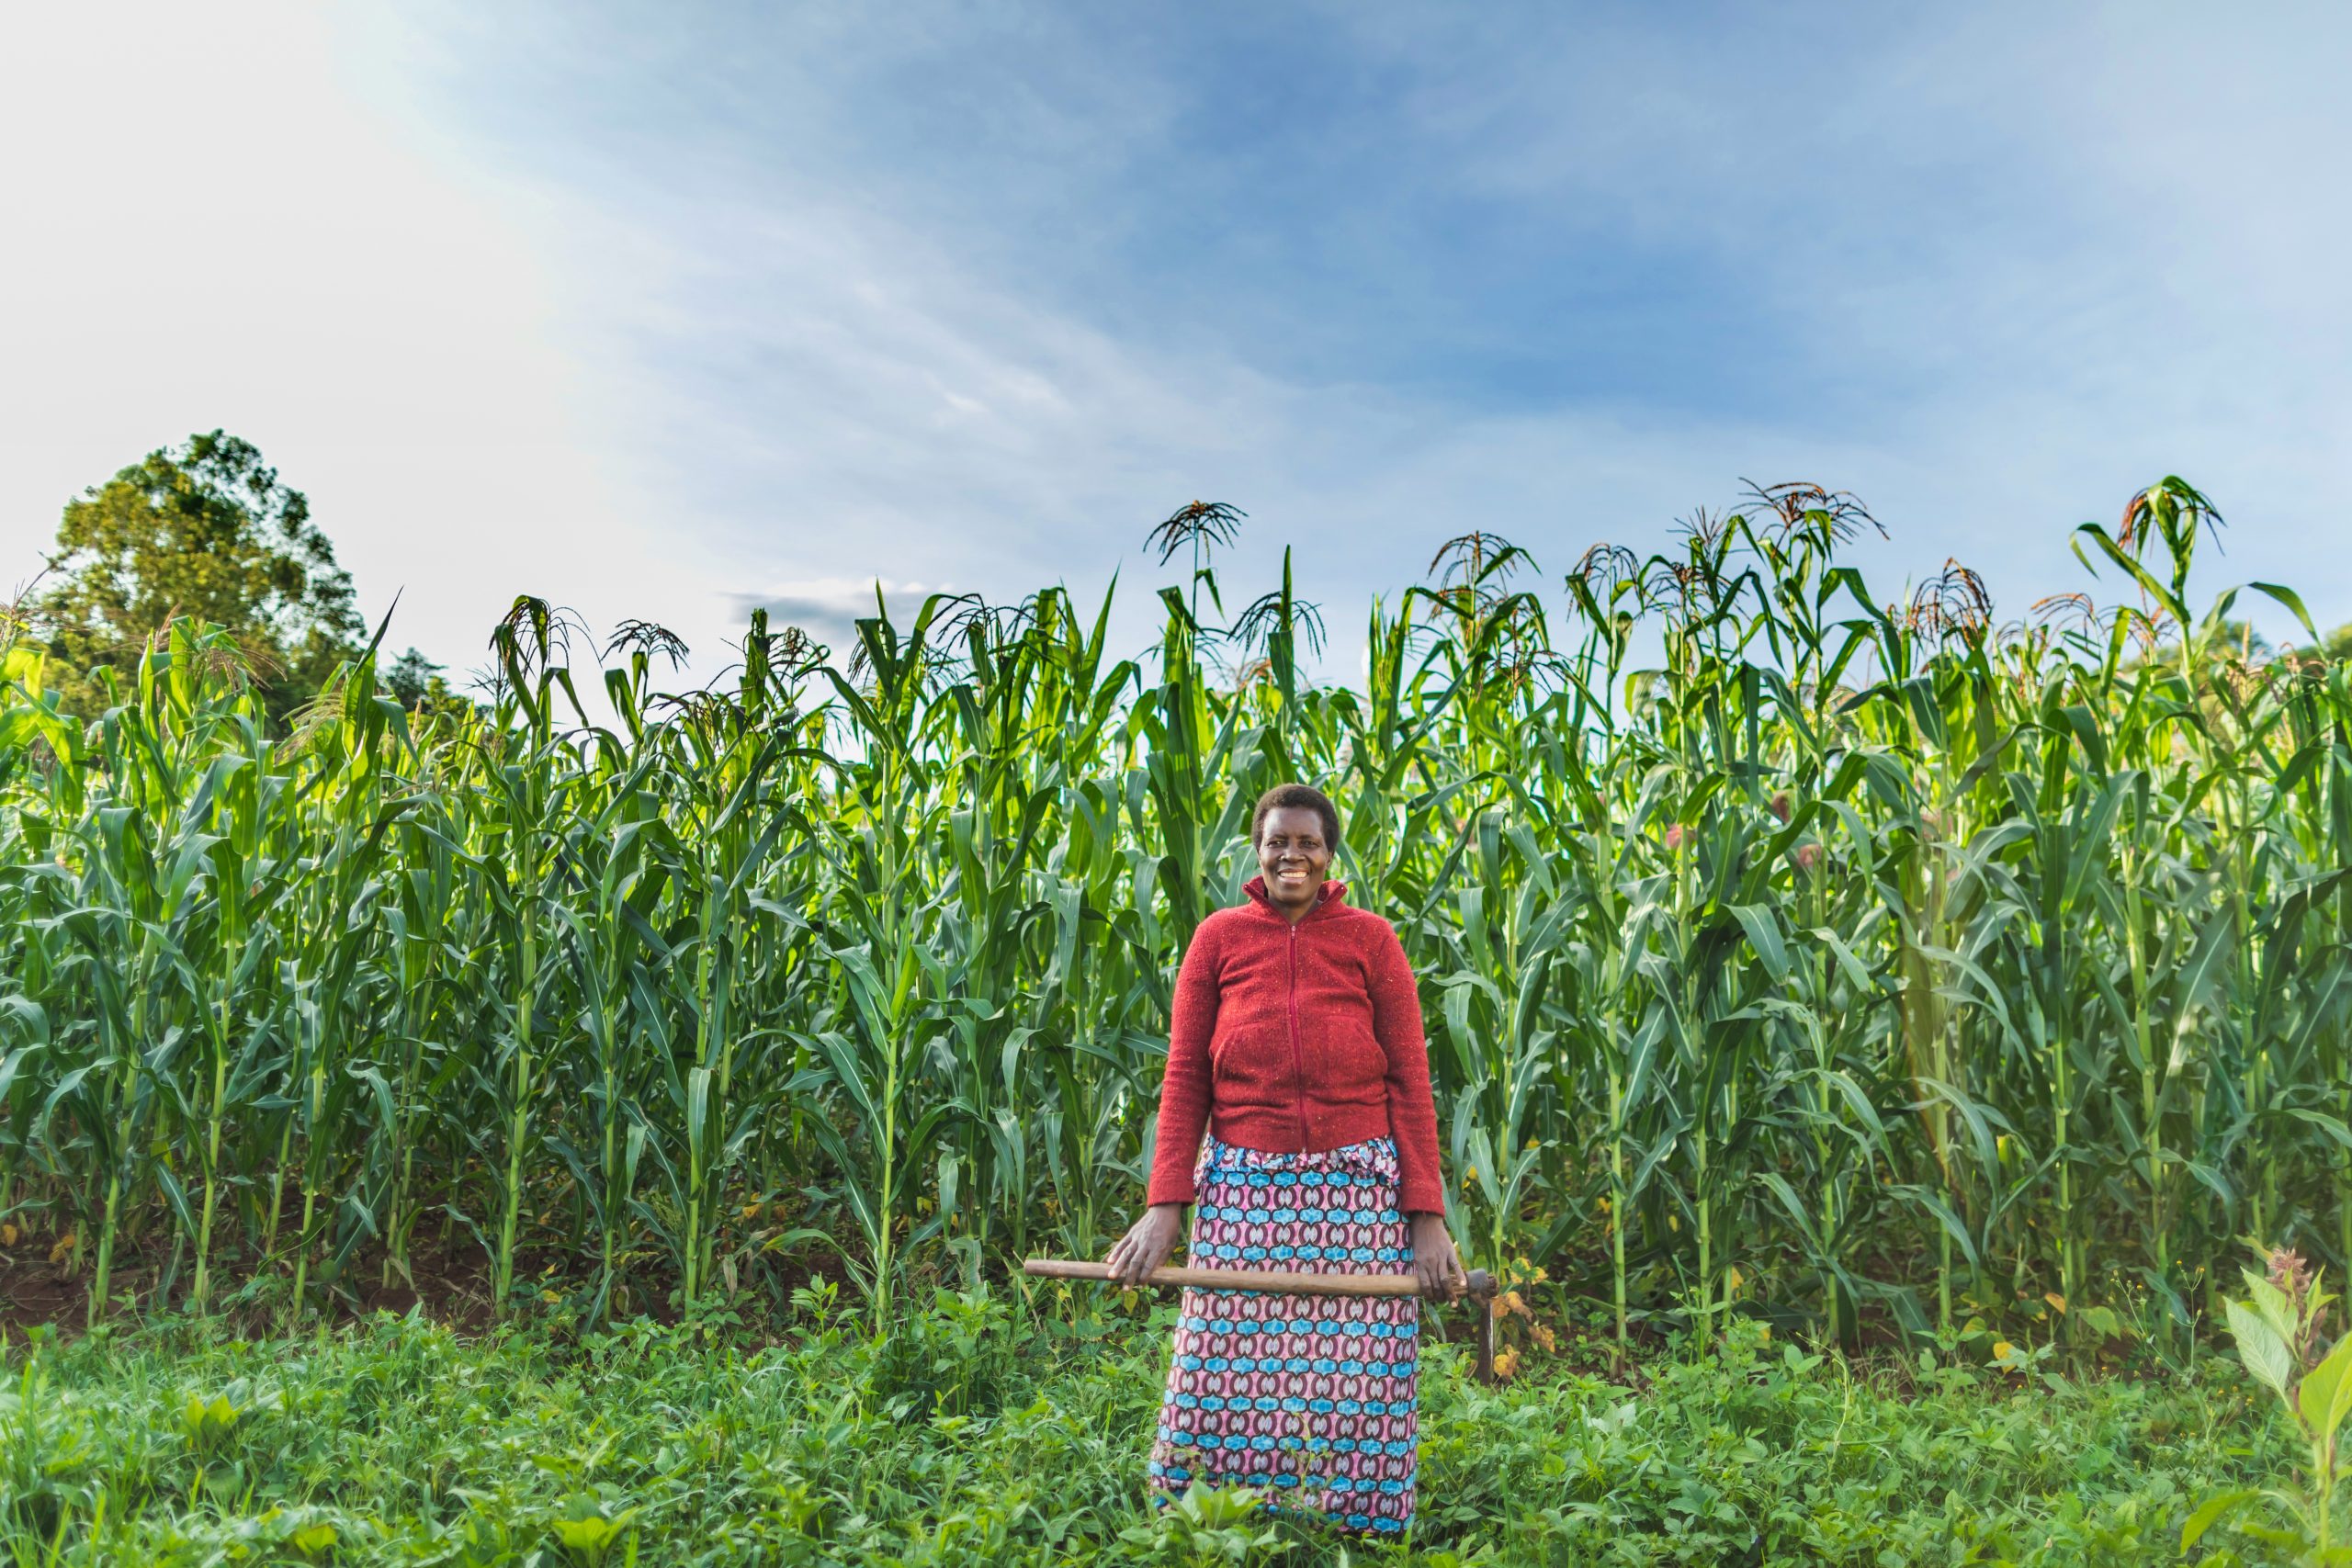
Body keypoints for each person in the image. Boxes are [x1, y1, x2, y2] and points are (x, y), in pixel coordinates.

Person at [1107, 782, 1465, 1540]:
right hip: (1245, 1184)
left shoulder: (1372, 940)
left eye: (1306, 841)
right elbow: (1185, 1077)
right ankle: (1207, 1509)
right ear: (1257, 849)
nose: (1290, 854)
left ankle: (1352, 1520)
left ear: (1329, 853)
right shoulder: (1218, 939)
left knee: (1357, 1365)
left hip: (1358, 1190)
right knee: (1222, 1356)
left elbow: (1409, 1078)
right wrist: (1166, 1204)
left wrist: (1426, 1217)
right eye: (1277, 840)